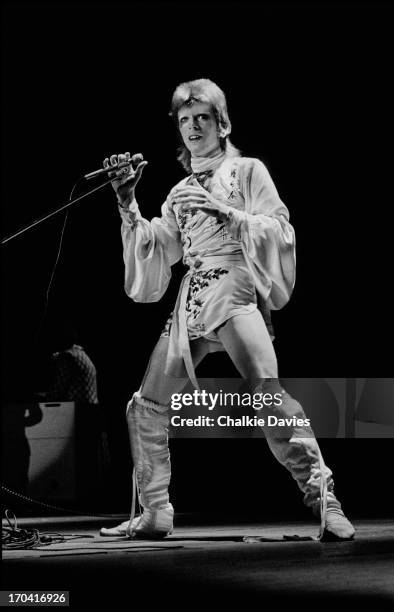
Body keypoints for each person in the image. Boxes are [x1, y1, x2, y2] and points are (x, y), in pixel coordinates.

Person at [100, 78, 355, 541]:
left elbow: (280, 229)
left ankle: (325, 503)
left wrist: (227, 213)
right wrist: (127, 202)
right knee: (146, 406)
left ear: (222, 123)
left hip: (234, 288)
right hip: (191, 297)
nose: (193, 127)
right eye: (185, 120)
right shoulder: (176, 193)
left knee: (267, 395)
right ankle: (155, 510)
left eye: (202, 118)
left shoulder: (248, 171)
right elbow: (161, 251)